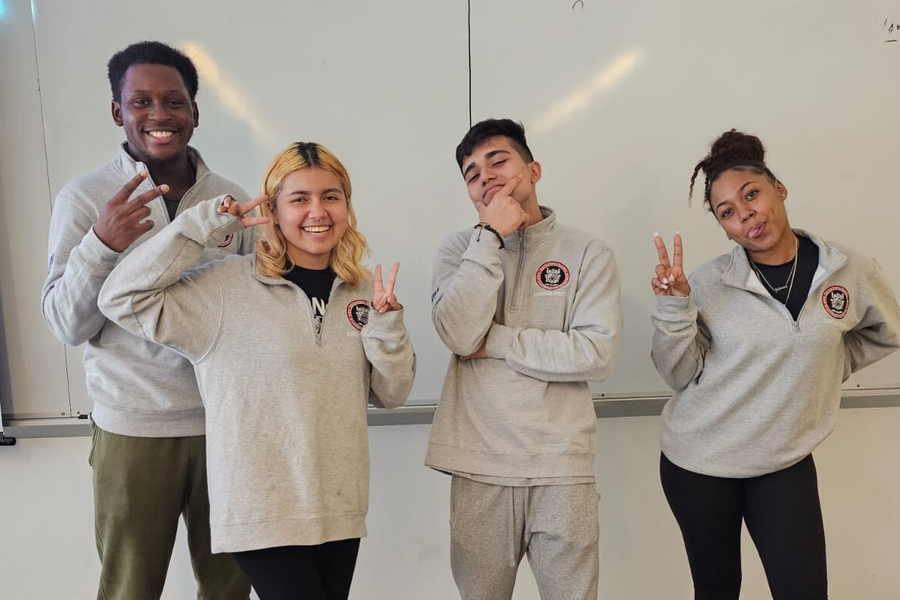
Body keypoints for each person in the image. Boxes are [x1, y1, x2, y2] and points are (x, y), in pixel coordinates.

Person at [99, 141, 415, 600]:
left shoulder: (365, 290)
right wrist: (197, 229)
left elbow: (393, 392)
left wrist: (386, 328)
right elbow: (120, 299)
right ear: (272, 209)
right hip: (261, 513)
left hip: (339, 509)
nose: (317, 211)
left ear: (347, 205)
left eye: (331, 196)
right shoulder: (224, 287)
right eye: (299, 199)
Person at [40, 40, 252, 599]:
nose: (159, 115)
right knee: (130, 590)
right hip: (134, 430)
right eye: (141, 102)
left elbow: (257, 315)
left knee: (230, 589)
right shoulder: (86, 198)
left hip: (226, 429)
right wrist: (100, 245)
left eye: (174, 102)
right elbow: (66, 323)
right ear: (118, 112)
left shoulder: (232, 200)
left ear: (195, 112)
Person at [650, 129, 900, 600]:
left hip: (783, 461)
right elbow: (678, 373)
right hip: (699, 463)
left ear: (778, 188)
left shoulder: (848, 269)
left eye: (751, 194)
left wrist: (824, 366)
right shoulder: (706, 284)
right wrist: (673, 306)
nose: (745, 214)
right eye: (727, 212)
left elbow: (887, 332)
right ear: (723, 228)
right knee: (718, 590)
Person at [425, 118, 622, 599]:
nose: (486, 176)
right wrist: (489, 237)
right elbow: (456, 331)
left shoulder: (587, 253)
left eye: (498, 161)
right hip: (479, 466)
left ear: (533, 169)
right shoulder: (459, 250)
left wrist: (496, 343)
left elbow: (594, 352)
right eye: (472, 174)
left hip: (562, 467)